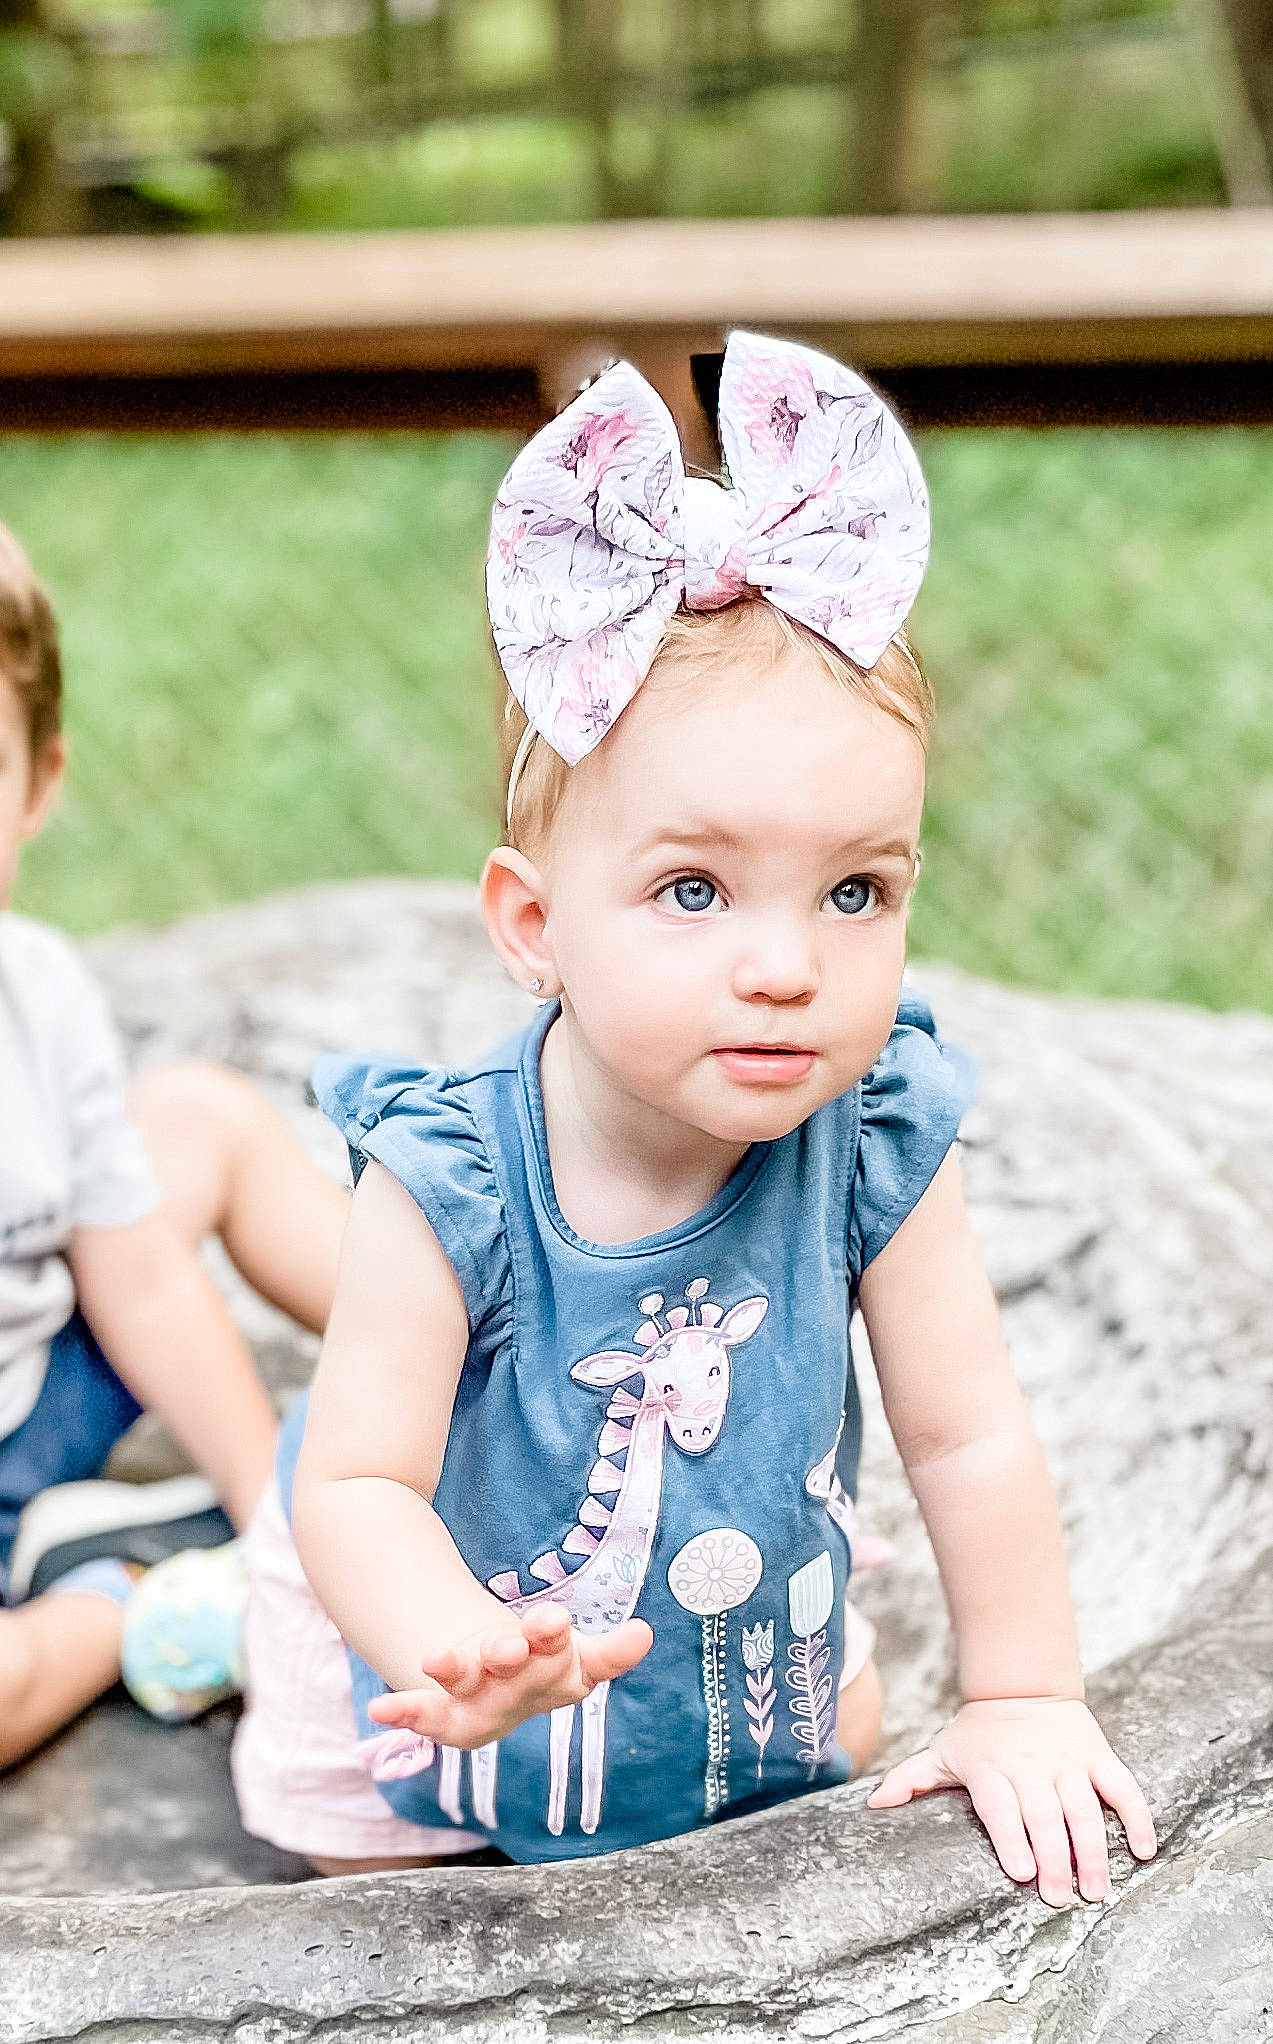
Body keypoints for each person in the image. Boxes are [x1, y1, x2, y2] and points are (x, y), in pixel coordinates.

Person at [232, 332, 1158, 1906]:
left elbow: (966, 1429)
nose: (788, 968)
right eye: (692, 889)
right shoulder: (447, 1173)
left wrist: (1023, 1695)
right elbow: (362, 1482)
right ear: (532, 924)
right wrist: (444, 1634)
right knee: (357, 1859)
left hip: (738, 1610)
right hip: (431, 1632)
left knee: (839, 1737)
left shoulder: (867, 1133)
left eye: (857, 889)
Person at [0, 520, 347, 1765]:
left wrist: (280, 1527)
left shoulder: (37, 991)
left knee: (196, 1118)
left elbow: (136, 1271)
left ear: (38, 786)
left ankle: (482, 1363)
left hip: (37, 1389)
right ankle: (117, 1597)